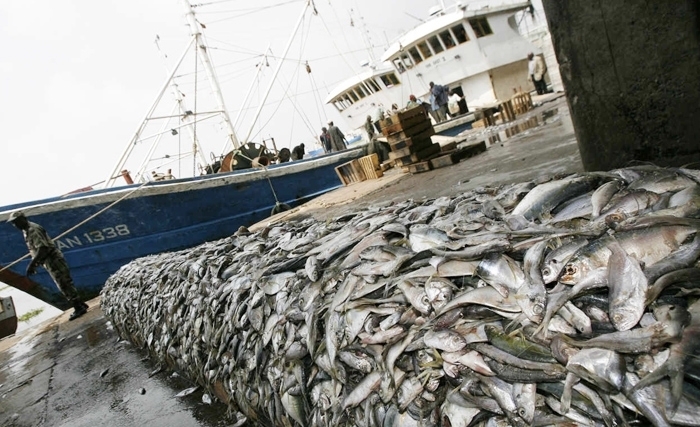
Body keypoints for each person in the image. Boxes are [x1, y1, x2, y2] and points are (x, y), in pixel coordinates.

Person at [7, 211, 89, 321]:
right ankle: (80, 304)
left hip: (53, 259)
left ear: (23, 219)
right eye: (13, 223)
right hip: (48, 261)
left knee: (63, 283)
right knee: (64, 282)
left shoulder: (33, 230)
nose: (15, 225)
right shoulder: (26, 231)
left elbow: (42, 249)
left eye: (16, 222)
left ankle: (78, 307)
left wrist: (32, 264)